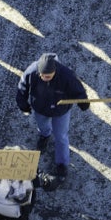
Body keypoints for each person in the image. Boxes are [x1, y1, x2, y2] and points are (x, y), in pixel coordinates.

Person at [16, 53, 88, 181]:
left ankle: (62, 164)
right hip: (40, 109)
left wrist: (83, 101)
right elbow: (22, 87)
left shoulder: (67, 75)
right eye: (43, 76)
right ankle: (45, 135)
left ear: (55, 71)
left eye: (49, 76)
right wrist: (22, 102)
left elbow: (79, 90)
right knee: (42, 127)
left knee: (61, 137)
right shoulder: (31, 71)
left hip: (61, 111)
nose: (46, 78)